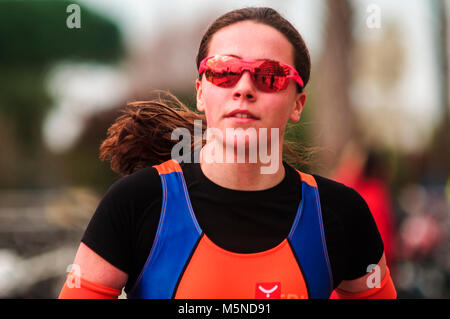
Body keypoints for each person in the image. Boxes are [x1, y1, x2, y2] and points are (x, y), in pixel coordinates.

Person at [58, 7, 396, 299]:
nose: (244, 88)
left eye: (270, 76)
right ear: (201, 93)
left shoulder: (339, 213)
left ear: (297, 103)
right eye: (224, 72)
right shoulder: (135, 203)